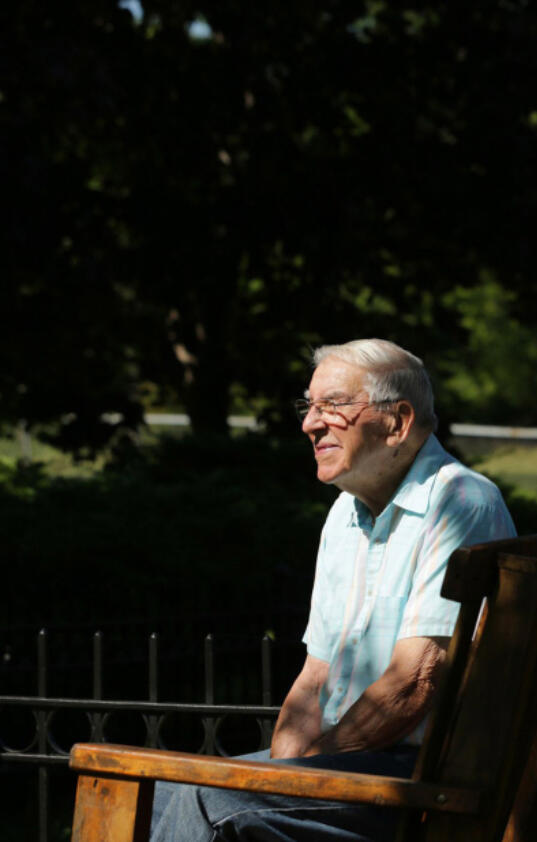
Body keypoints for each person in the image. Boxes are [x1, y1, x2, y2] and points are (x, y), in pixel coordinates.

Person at [152, 339, 516, 841]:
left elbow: (415, 684)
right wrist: (284, 770)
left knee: (204, 798)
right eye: (309, 405)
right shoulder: (342, 515)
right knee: (159, 791)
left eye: (333, 405)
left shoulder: (461, 500)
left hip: (422, 777)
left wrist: (305, 770)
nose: (309, 423)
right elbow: (314, 678)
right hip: (349, 762)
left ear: (398, 421)